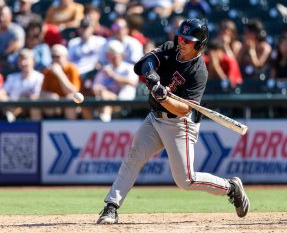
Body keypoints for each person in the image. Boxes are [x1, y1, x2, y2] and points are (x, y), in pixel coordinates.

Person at [96, 18, 250, 224]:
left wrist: (163, 97)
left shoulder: (198, 72)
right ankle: (111, 207)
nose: (182, 42)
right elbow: (145, 62)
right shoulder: (170, 49)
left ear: (199, 44)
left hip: (180, 125)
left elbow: (184, 109)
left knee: (186, 180)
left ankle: (230, 187)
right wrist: (152, 77)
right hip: (155, 118)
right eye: (181, 37)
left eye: (188, 39)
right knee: (134, 156)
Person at [89, 40, 138, 122]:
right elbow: (96, 86)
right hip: (105, 100)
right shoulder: (105, 69)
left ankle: (104, 119)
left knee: (105, 95)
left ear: (122, 55)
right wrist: (97, 88)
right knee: (96, 100)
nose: (112, 57)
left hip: (124, 102)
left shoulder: (129, 68)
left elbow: (133, 82)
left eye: (114, 55)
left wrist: (112, 75)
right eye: (110, 55)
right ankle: (100, 122)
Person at [32, 44, 81, 120]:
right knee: (36, 102)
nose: (55, 59)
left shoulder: (72, 69)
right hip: (53, 105)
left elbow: (73, 92)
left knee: (70, 99)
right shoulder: (48, 71)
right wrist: (49, 95)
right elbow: (41, 92)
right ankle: (37, 129)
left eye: (58, 57)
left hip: (70, 104)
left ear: (66, 57)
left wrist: (59, 74)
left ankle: (72, 129)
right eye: (53, 57)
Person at [0, 49, 43, 122]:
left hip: (28, 107)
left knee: (30, 101)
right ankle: (10, 115)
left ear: (33, 61)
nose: (23, 63)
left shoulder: (39, 77)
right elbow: (3, 91)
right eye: (20, 60)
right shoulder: (12, 77)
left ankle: (11, 115)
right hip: (10, 106)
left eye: (26, 59)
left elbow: (36, 96)